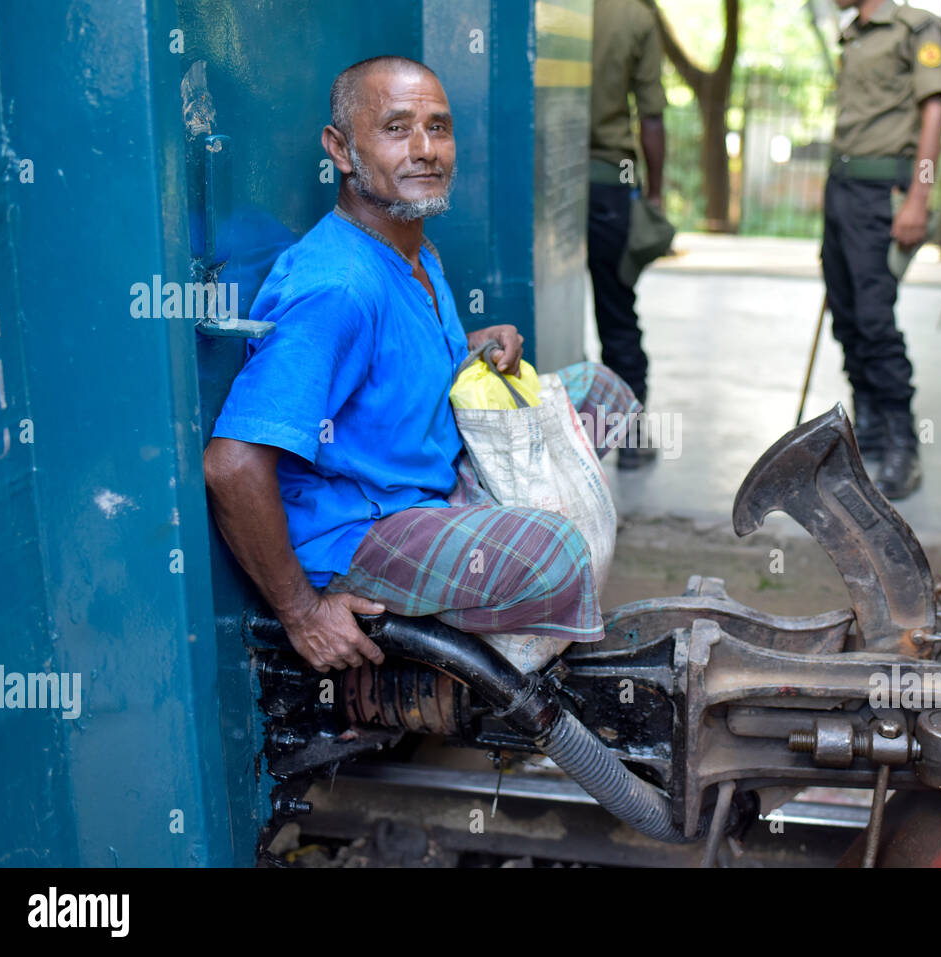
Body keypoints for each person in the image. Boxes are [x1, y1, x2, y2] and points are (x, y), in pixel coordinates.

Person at [203, 57, 639, 673]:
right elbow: (232, 465)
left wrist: (469, 346)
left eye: (439, 128)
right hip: (363, 527)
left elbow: (388, 372)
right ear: (341, 149)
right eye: (396, 128)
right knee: (553, 555)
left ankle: (490, 596)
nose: (424, 149)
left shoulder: (411, 247)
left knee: (603, 394)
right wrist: (303, 613)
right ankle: (435, 662)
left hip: (431, 478)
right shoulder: (338, 287)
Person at [822, 0, 941, 500]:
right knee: (846, 314)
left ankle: (902, 445)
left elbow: (933, 110)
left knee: (875, 319)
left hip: (882, 195)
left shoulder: (916, 27)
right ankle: (867, 429)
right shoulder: (853, 34)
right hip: (842, 190)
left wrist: (920, 195)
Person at [587, 0, 667, 469]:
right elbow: (650, 115)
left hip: (541, 179)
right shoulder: (636, 15)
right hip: (607, 183)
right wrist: (654, 194)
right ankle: (632, 434)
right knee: (616, 310)